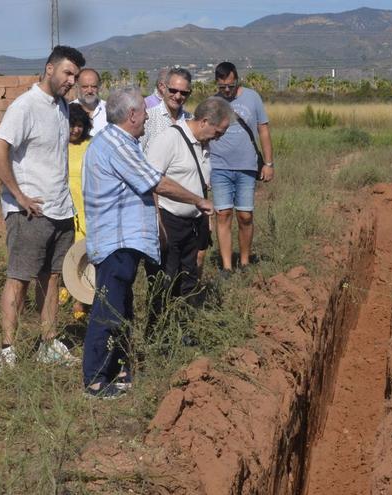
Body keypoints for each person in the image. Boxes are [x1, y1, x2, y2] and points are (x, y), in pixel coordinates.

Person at [81, 88, 214, 399]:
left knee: (122, 308)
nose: (146, 117)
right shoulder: (116, 143)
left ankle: (117, 370)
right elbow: (156, 181)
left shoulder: (123, 142)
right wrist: (198, 200)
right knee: (108, 309)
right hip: (116, 241)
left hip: (124, 241)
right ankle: (95, 380)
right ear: (132, 115)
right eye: (143, 111)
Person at [0, 45, 85, 373]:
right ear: (49, 69)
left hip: (60, 210)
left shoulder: (61, 107)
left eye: (75, 75)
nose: (71, 80)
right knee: (19, 278)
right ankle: (8, 350)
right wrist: (18, 195)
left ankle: (47, 344)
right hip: (30, 213)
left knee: (52, 278)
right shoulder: (25, 106)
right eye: (67, 73)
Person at [145, 97, 231, 330]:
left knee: (189, 279)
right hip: (169, 221)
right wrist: (157, 223)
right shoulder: (169, 139)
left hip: (193, 223)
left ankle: (181, 329)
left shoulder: (204, 143)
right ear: (204, 121)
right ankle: (157, 334)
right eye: (219, 131)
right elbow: (153, 182)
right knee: (165, 281)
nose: (219, 137)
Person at [209, 61, 275, 275]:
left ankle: (245, 262)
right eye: (222, 87)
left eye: (230, 85)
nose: (226, 90)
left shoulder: (252, 97)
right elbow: (203, 134)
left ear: (237, 79)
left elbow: (263, 130)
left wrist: (268, 163)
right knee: (223, 214)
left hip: (246, 167)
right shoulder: (213, 102)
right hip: (219, 166)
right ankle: (227, 266)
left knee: (245, 216)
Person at [66, 102, 92, 320]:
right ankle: (63, 290)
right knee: (64, 251)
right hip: (65, 204)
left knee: (83, 252)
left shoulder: (91, 145)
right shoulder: (57, 145)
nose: (76, 129)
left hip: (86, 204)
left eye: (80, 125)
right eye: (72, 125)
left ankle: (80, 302)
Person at [140, 67, 192, 151]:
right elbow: (138, 153)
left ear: (189, 94)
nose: (177, 96)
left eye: (183, 93)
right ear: (164, 88)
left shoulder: (191, 120)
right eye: (173, 90)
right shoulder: (148, 118)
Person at [73, 68, 107, 136]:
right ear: (77, 87)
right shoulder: (68, 111)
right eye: (85, 87)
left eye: (94, 87)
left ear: (99, 87)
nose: (90, 91)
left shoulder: (110, 110)